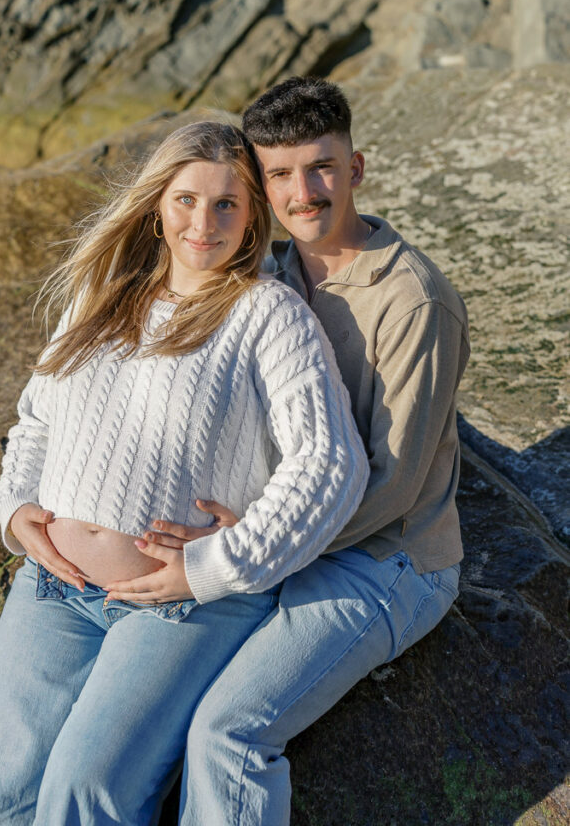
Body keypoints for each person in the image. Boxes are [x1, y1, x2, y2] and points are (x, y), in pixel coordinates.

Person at [0, 120, 370, 826]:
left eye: (226, 205)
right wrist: (17, 508)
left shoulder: (267, 314)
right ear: (156, 205)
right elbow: (36, 422)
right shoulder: (101, 296)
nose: (202, 222)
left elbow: (330, 464)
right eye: (185, 200)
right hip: (55, 590)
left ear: (252, 217)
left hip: (182, 604)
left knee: (83, 796)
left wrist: (220, 563)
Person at [135, 78, 470, 824]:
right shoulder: (267, 275)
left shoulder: (414, 300)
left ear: (355, 168)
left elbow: (394, 486)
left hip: (387, 560)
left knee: (228, 731)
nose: (303, 191)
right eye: (278, 174)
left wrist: (248, 550)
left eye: (320, 167)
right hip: (275, 538)